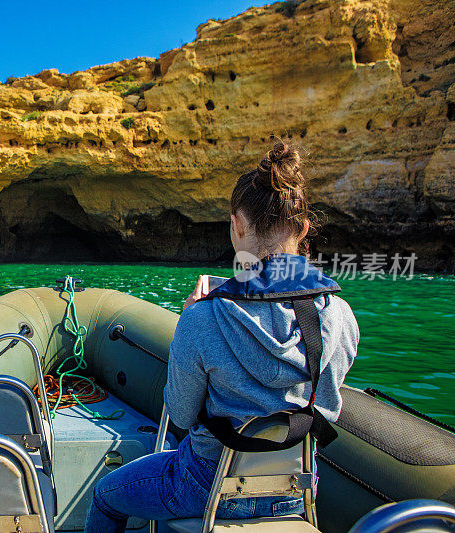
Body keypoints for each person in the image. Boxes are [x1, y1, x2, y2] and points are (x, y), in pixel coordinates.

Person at [84, 138, 359, 532]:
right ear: (304, 227)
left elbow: (179, 415)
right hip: (295, 492)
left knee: (106, 497)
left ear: (237, 225)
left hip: (205, 486)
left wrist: (188, 323)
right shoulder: (341, 316)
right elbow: (326, 408)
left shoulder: (205, 317)